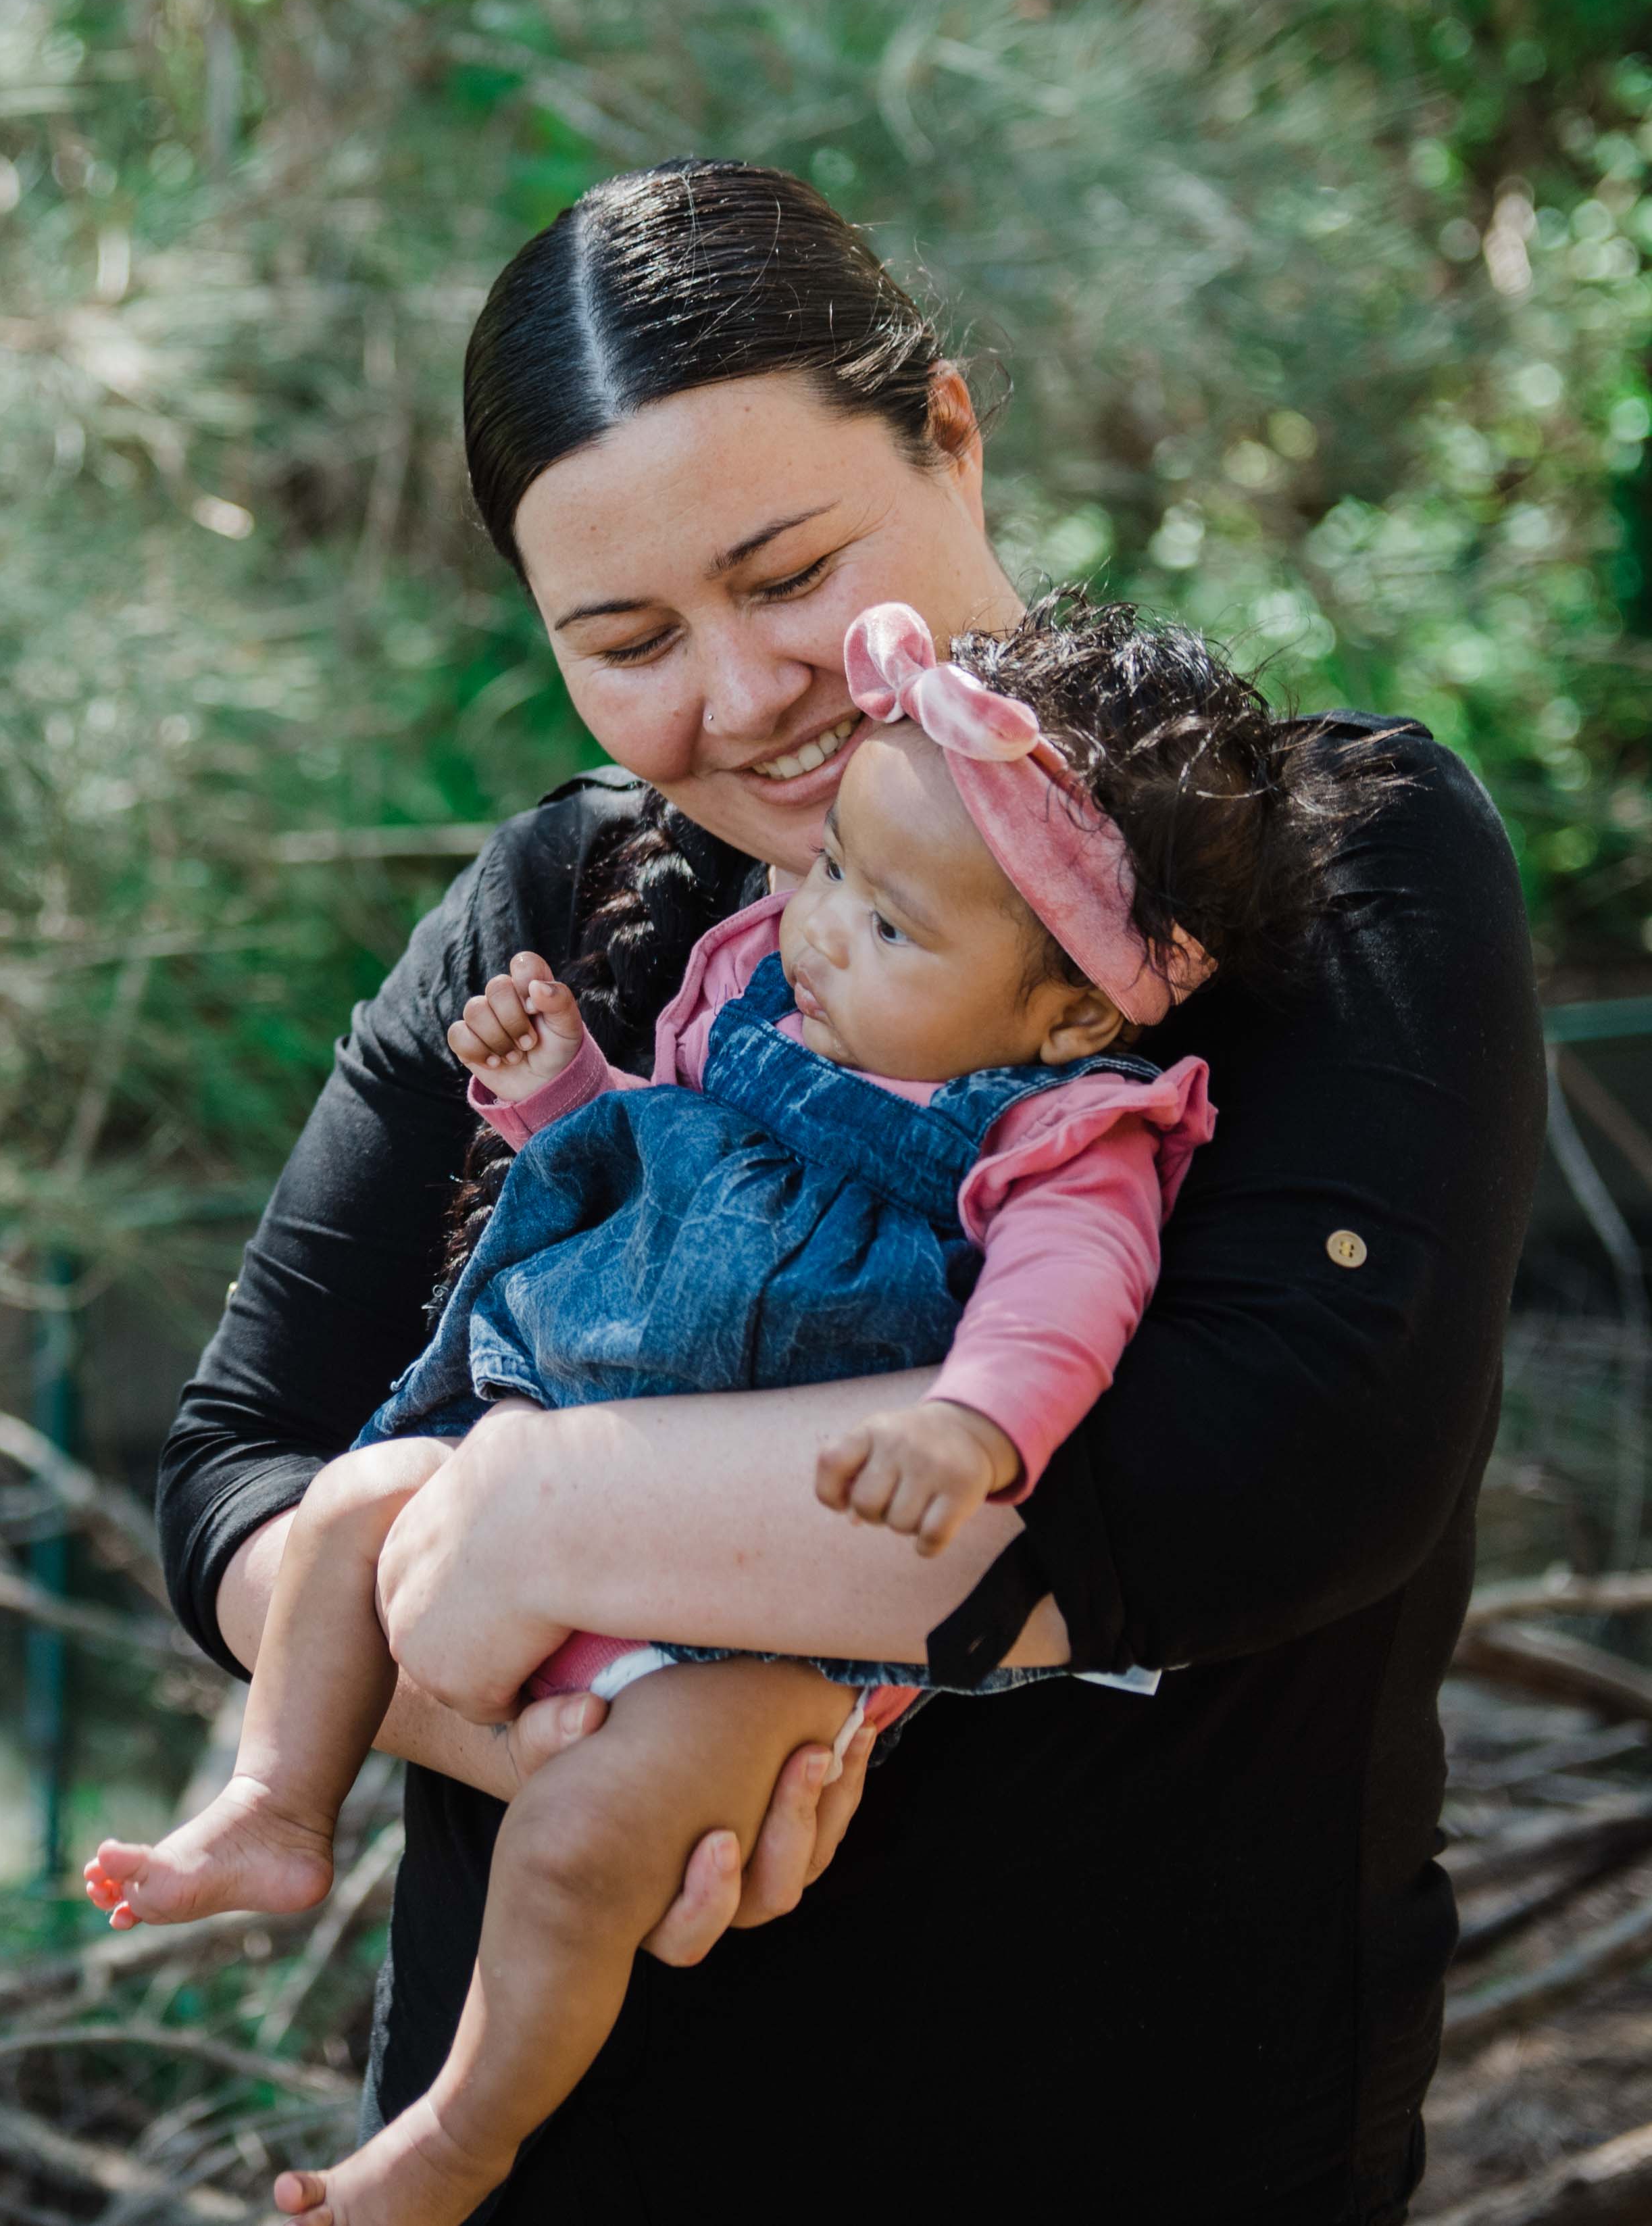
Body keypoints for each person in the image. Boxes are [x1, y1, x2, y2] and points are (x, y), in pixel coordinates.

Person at [155, 159, 1538, 2223]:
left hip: (1145, 2133)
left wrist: (547, 1511)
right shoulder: (560, 914)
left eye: (789, 571)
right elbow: (240, 1470)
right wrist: (555, 1734)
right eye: (626, 639)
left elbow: (1298, 1449)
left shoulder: (1312, 862)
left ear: (954, 439)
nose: (739, 695)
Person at [102, 592, 1399, 2221]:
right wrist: (559, 1088)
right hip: (526, 1462)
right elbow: (657, 1170)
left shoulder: (1061, 1133)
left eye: (891, 923)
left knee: (583, 1844)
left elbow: (1061, 1303)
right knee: (352, 1503)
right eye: (835, 876)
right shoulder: (756, 1002)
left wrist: (970, 1430)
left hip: (760, 1633)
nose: (824, 927)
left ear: (1072, 1008)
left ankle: (448, 2140)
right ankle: (274, 1807)